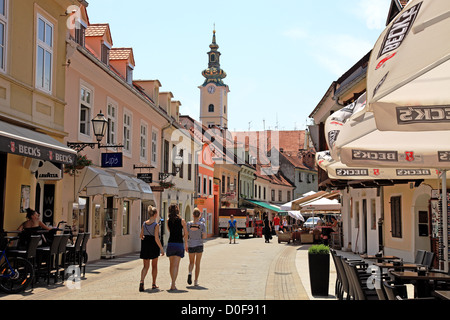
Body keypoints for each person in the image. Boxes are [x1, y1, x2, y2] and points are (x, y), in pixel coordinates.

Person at [139, 206, 164, 292]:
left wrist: (144, 238)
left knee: (145, 266)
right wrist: (161, 248)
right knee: (154, 266)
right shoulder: (156, 225)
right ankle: (153, 284)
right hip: (153, 245)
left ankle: (141, 282)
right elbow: (157, 238)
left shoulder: (144, 223)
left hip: (145, 245)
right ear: (155, 214)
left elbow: (141, 235)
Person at [166, 204, 188, 291]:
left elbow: (169, 230)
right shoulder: (182, 221)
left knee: (171, 265)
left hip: (171, 243)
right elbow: (186, 233)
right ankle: (173, 284)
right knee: (176, 265)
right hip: (179, 244)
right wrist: (185, 243)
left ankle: (172, 282)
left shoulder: (168, 221)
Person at [187, 208, 206, 286]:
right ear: (200, 215)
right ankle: (196, 281)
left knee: (191, 262)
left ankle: (190, 273)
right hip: (199, 244)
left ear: (193, 215)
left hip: (191, 244)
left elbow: (186, 234)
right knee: (197, 263)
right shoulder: (202, 225)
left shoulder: (188, 224)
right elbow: (204, 236)